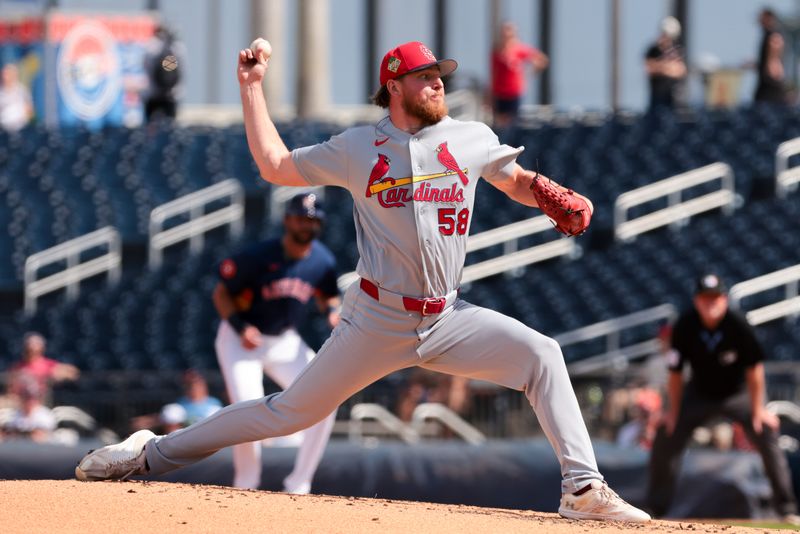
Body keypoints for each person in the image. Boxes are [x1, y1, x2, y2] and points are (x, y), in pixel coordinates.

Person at [75, 39, 649, 522]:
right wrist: (252, 87)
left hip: (447, 316)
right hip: (376, 317)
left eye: (440, 76)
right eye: (425, 77)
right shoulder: (357, 147)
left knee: (542, 355)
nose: (437, 84)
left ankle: (581, 490)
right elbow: (274, 166)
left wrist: (549, 194)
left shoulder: (470, 137)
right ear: (394, 85)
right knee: (288, 412)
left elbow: (514, 178)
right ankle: (151, 453)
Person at [212, 192, 340, 494]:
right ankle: (246, 484)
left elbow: (328, 294)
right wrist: (239, 326)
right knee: (248, 408)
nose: (305, 224)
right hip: (241, 340)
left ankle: (299, 483)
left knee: (327, 398)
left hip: (284, 340)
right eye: (299, 217)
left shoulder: (322, 260)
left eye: (311, 219)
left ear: (319, 223)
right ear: (286, 220)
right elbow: (221, 292)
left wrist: (332, 311)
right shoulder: (258, 256)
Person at [647, 274, 799, 524]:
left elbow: (755, 369)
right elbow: (675, 373)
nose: (711, 303)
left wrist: (759, 409)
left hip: (736, 393)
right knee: (666, 433)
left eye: (716, 298)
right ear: (696, 301)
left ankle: (786, 508)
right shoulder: (685, 325)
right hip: (699, 392)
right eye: (706, 299)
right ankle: (656, 510)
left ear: (725, 299)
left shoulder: (738, 324)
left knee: (766, 433)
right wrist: (671, 411)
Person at [490, 21, 548, 128]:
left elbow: (541, 60)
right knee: (499, 125)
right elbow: (494, 73)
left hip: (514, 92)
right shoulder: (497, 51)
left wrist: (530, 73)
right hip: (499, 92)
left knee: (513, 123)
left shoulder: (519, 49)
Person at [130, 369, 223, 434]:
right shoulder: (181, 403)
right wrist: (147, 421)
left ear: (203, 385)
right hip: (187, 440)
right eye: (188, 385)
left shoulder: (213, 404)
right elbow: (165, 419)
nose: (192, 388)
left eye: (195, 384)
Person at [9, 332, 79, 398]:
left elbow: (73, 372)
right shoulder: (18, 366)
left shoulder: (47, 364)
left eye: (34, 347)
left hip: (40, 400)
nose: (30, 350)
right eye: (28, 347)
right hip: (22, 400)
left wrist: (55, 375)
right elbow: (11, 388)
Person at [142, 24, 185, 122]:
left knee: (150, 126)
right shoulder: (177, 47)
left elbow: (145, 67)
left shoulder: (150, 46)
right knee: (170, 125)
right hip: (172, 95)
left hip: (152, 94)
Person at [644, 16, 687, 111]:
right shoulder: (654, 50)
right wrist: (667, 67)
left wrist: (663, 67)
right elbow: (649, 68)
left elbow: (681, 70)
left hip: (674, 97)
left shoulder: (677, 50)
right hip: (657, 96)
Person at [754, 8, 788, 104]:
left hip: (770, 83)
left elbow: (776, 47)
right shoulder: (767, 34)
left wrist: (772, 64)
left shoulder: (773, 35)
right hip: (765, 81)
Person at [0, 63, 33, 132]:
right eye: (4, 74)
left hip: (21, 129)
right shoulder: (1, 92)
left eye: (7, 74)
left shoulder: (22, 91)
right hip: (3, 129)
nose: (5, 76)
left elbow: (29, 110)